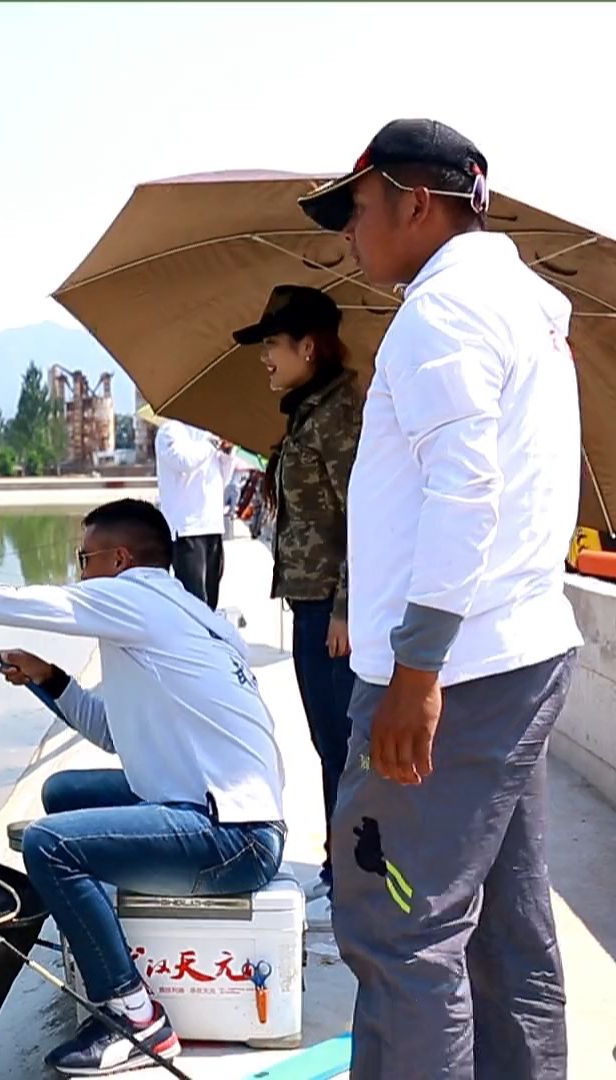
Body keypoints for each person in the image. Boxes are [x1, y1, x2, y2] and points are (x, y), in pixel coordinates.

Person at [298, 118, 583, 1079]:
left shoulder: (441, 313)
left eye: (358, 210)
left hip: (451, 671)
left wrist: (416, 671)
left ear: (415, 201)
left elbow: (467, 493)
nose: (350, 235)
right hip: (513, 651)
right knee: (506, 932)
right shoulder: (528, 303)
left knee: (398, 930)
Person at [0, 497, 286, 1077]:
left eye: (83, 559)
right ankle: (99, 932)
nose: (79, 573)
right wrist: (49, 677)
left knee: (48, 843)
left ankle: (136, 1017)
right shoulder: (182, 613)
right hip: (227, 816)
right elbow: (115, 734)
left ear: (119, 559)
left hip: (231, 836)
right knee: (63, 793)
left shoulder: (134, 596)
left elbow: (20, 601)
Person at [232, 284, 363, 903]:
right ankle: (341, 868)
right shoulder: (312, 410)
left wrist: (346, 608)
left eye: (272, 346)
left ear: (309, 347)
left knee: (343, 745)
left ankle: (355, 878)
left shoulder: (339, 417)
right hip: (311, 601)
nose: (265, 358)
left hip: (334, 611)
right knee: (328, 743)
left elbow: (367, 516)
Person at [155, 417, 237, 609]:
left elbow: (222, 479)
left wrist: (227, 454)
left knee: (211, 599)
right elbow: (184, 461)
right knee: (194, 600)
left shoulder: (207, 438)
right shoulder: (170, 431)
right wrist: (212, 443)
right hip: (187, 530)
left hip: (212, 526)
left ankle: (208, 638)